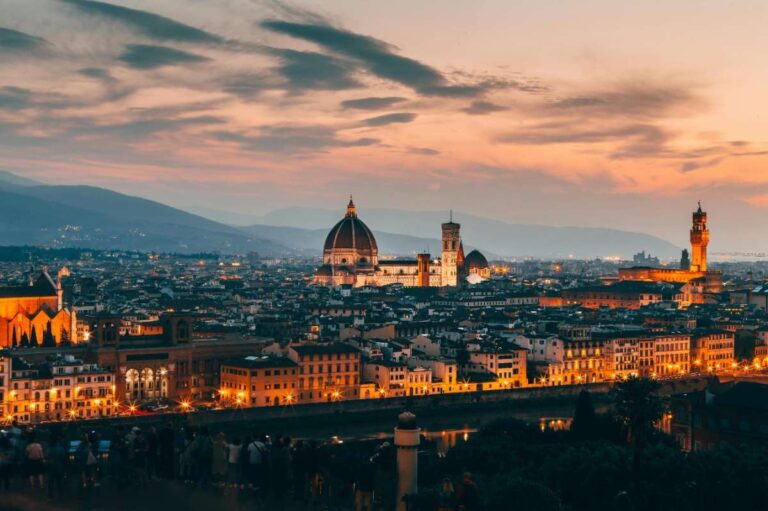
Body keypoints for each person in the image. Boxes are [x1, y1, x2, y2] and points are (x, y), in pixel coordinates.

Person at [46, 434, 67, 500]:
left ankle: (50, 496)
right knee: (59, 482)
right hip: (59, 467)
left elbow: (46, 457)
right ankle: (60, 495)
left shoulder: (49, 449)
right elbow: (63, 457)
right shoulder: (61, 448)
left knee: (50, 483)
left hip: (51, 467)